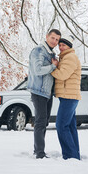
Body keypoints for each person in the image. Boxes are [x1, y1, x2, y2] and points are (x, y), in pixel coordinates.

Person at [27, 29, 61, 159]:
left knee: (44, 122)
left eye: (57, 39)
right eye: (52, 38)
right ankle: (39, 153)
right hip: (39, 91)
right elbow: (37, 70)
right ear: (47, 36)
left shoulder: (51, 53)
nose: (54, 41)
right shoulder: (39, 51)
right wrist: (53, 67)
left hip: (47, 92)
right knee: (40, 122)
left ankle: (38, 150)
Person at [51, 34, 82, 160]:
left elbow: (63, 74)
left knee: (61, 125)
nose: (60, 47)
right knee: (69, 126)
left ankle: (70, 156)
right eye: (60, 45)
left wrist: (52, 67)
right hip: (69, 96)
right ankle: (74, 155)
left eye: (63, 45)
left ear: (69, 46)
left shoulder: (70, 57)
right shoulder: (66, 58)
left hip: (69, 97)